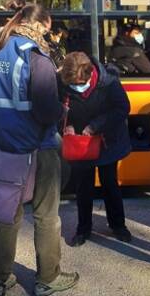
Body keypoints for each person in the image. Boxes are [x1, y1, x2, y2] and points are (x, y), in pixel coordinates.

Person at [0, 4, 79, 296]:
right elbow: (47, 112)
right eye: (49, 30)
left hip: (5, 149)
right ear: (43, 26)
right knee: (47, 216)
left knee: (7, 215)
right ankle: (48, 279)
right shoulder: (38, 59)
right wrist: (62, 107)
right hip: (39, 149)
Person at [58, 51, 133, 246]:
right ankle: (83, 228)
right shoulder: (64, 83)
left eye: (80, 83)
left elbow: (122, 108)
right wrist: (67, 125)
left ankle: (118, 225)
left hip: (107, 140)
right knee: (83, 187)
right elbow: (59, 110)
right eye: (72, 85)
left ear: (91, 74)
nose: (77, 88)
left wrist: (95, 125)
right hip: (80, 144)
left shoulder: (109, 83)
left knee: (110, 184)